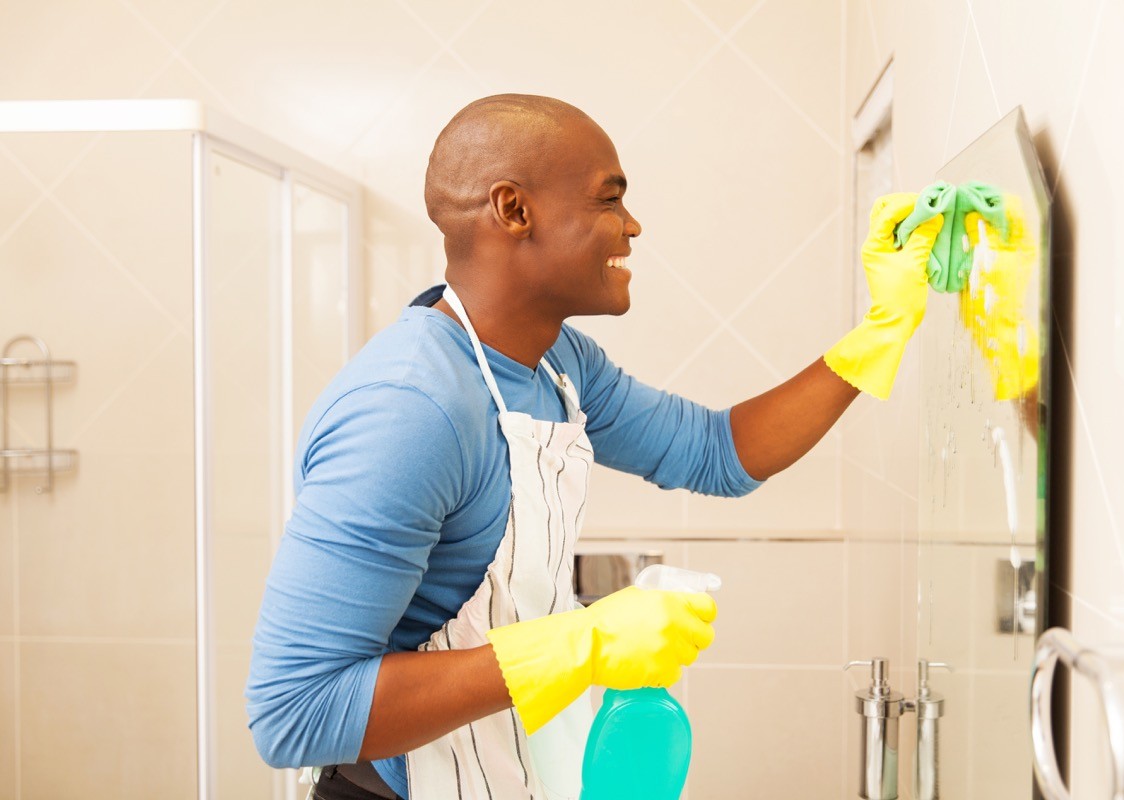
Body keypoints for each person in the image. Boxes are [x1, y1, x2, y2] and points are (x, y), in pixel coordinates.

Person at [245, 94, 942, 800]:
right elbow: (294, 714)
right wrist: (584, 645)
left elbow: (716, 451)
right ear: (514, 211)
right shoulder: (409, 411)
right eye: (610, 201)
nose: (632, 226)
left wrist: (881, 331)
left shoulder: (558, 364)